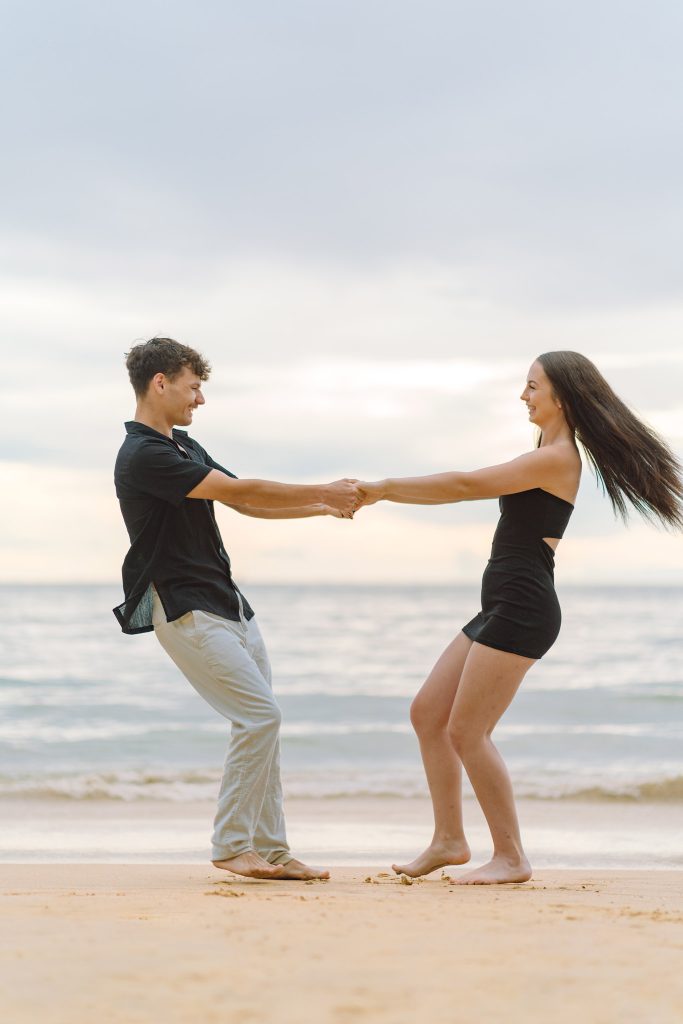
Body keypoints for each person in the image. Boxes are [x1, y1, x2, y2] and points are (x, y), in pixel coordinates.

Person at [357, 351, 682, 884]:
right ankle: (449, 841)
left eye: (532, 387)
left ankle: (511, 857)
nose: (523, 396)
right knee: (427, 714)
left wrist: (384, 488)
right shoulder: (542, 450)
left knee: (468, 730)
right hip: (502, 606)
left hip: (524, 608)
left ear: (562, 397)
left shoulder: (557, 457)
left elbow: (464, 484)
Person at [114, 336, 360, 880]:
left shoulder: (181, 447)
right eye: (193, 386)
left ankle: (272, 849)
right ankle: (230, 846)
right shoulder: (144, 455)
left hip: (228, 603)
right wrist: (322, 486)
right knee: (259, 717)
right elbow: (244, 486)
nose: (199, 399)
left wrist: (321, 506)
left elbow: (240, 497)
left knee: (264, 724)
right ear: (161, 383)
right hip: (184, 606)